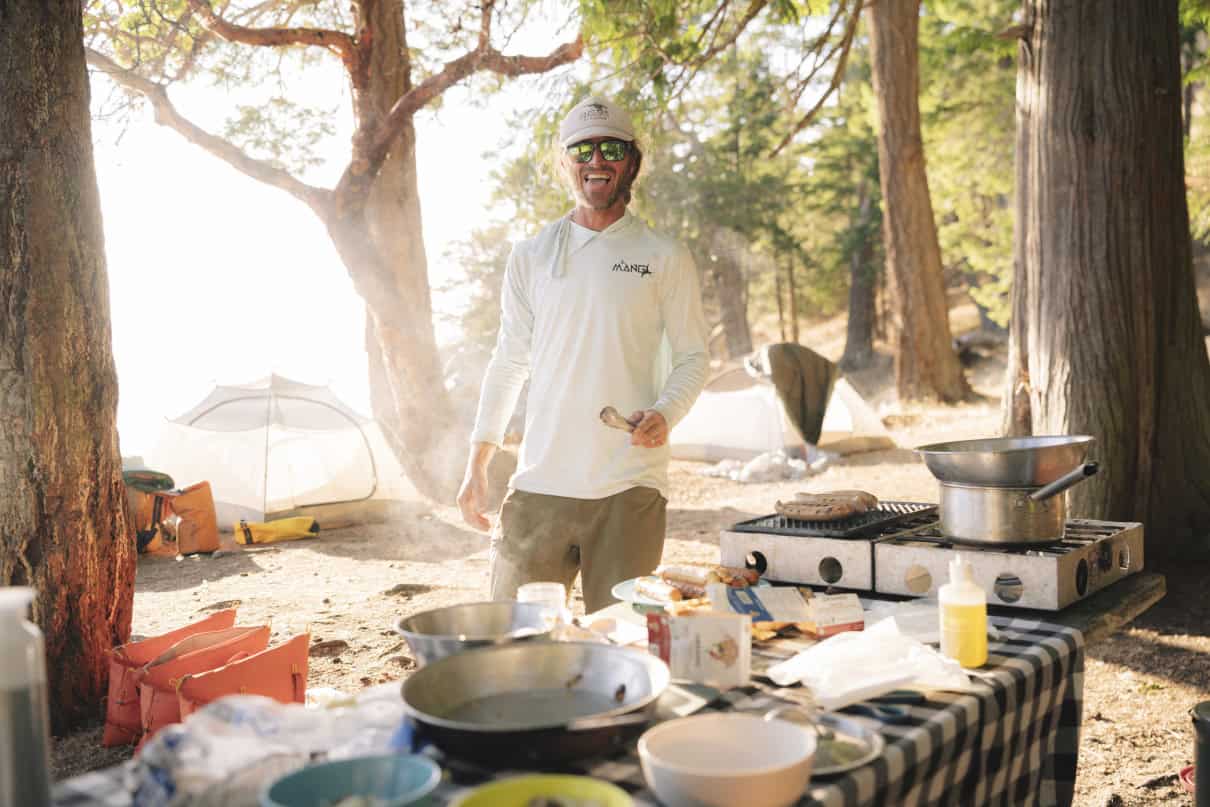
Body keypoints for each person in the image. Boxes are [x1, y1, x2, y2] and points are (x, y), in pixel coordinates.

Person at [456, 95, 710, 613]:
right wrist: (479, 458)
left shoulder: (663, 256)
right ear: (566, 162)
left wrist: (665, 412)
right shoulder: (530, 256)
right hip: (539, 486)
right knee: (515, 641)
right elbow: (509, 361)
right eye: (584, 149)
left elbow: (692, 357)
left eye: (612, 148)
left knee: (618, 648)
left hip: (629, 490)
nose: (598, 160)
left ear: (632, 161)